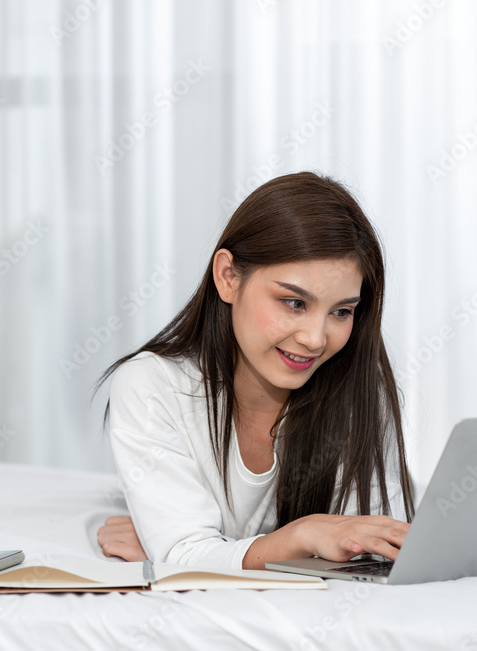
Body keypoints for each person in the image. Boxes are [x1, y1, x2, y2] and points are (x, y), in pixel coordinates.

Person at [92, 171, 415, 571]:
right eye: (294, 302)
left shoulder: (357, 391)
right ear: (228, 277)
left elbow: (372, 543)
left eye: (341, 311)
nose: (315, 338)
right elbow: (184, 557)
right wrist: (303, 535)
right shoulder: (152, 387)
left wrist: (196, 544)